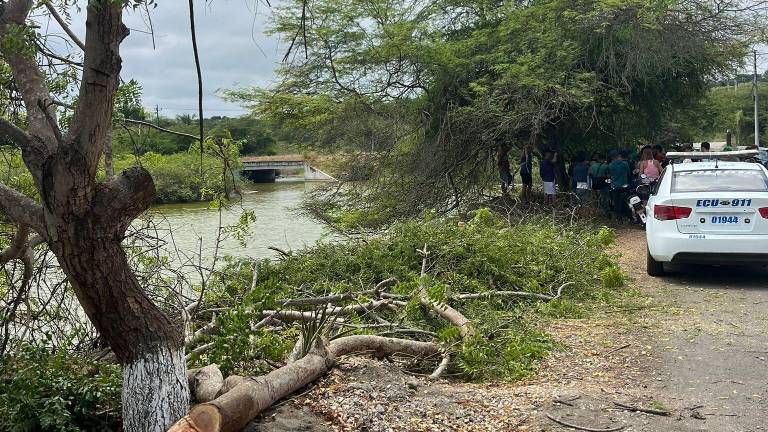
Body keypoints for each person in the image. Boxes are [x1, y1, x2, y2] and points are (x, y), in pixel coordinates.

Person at [608, 150, 631, 221]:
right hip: (624, 186)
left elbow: (609, 175)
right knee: (624, 201)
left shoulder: (610, 165)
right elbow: (629, 173)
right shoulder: (625, 164)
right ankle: (627, 216)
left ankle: (617, 217)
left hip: (614, 186)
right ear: (618, 156)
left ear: (612, 157)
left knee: (616, 201)